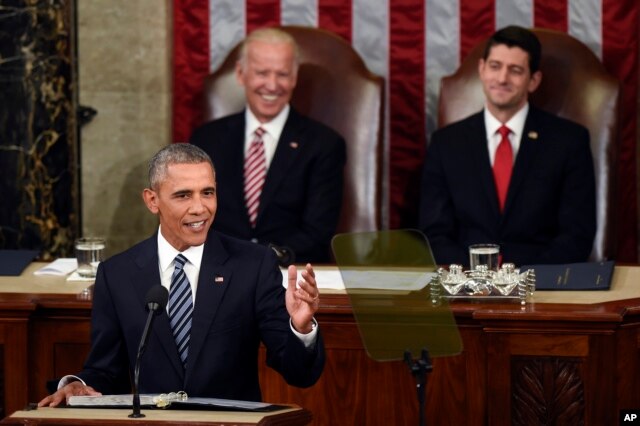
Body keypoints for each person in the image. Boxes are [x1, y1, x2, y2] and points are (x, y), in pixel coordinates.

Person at [39, 143, 324, 406]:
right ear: (152, 201)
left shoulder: (253, 264)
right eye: (183, 195)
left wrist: (301, 328)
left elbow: (299, 373)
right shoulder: (117, 274)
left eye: (207, 192)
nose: (200, 208)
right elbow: (106, 371)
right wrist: (79, 385)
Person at [419, 25, 596, 267]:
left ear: (533, 80)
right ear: (481, 69)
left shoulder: (569, 141)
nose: (502, 79)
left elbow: (577, 235)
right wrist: (479, 277)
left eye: (515, 70)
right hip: (467, 287)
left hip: (542, 289)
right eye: (495, 66)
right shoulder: (446, 143)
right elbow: (433, 234)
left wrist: (524, 278)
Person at [190, 27, 346, 265]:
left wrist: (262, 260)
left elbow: (317, 233)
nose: (272, 86)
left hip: (287, 274)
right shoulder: (206, 140)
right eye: (262, 73)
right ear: (241, 74)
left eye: (282, 74)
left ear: (294, 78)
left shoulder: (324, 144)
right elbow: (190, 215)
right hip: (216, 271)